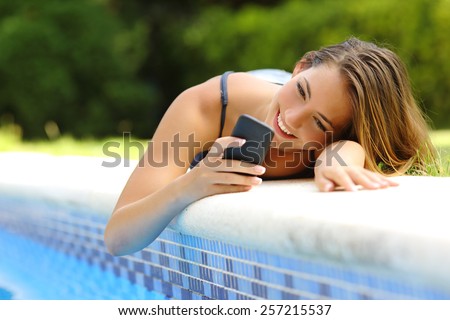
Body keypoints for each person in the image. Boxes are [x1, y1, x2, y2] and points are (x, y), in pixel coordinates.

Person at [104, 37, 437, 256]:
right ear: (302, 67)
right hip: (256, 90)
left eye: (319, 123)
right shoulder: (205, 105)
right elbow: (118, 237)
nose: (292, 120)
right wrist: (187, 186)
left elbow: (354, 148)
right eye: (303, 90)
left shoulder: (335, 140)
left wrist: (344, 153)